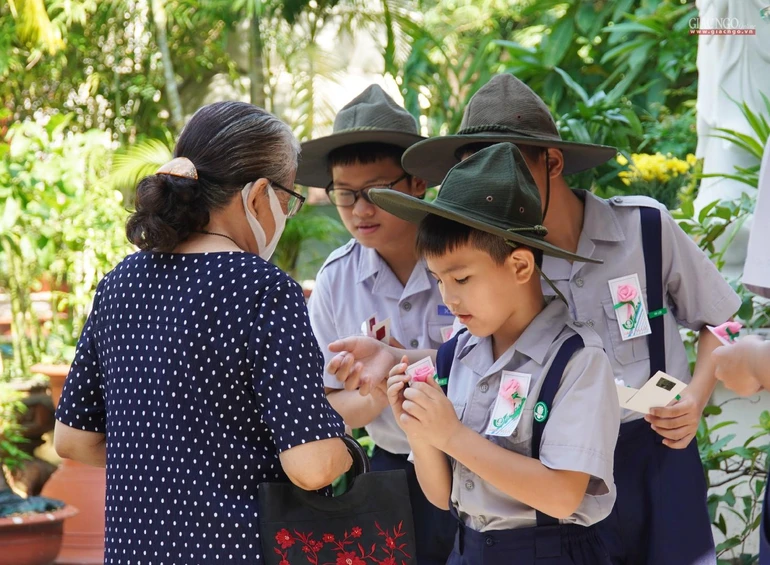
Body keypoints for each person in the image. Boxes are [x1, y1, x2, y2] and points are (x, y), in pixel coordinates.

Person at [329, 74, 741, 565]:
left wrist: (695, 396)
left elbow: (723, 322)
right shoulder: (493, 266)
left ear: (552, 161)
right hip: (548, 475)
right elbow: (482, 361)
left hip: (653, 449)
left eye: (508, 161)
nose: (495, 179)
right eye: (476, 166)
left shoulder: (643, 228)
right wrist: (396, 359)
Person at [53, 101, 352, 565]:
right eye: (289, 199)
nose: (287, 213)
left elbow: (74, 439)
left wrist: (168, 462)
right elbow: (313, 466)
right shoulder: (264, 289)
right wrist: (347, 447)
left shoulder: (120, 281)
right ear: (257, 196)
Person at [374, 142, 618, 564]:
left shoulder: (577, 361)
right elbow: (441, 496)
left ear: (521, 266)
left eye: (463, 278)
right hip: (467, 549)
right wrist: (418, 427)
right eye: (438, 280)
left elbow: (562, 497)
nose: (448, 298)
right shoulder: (454, 356)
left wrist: (451, 435)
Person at [295, 84, 456, 565]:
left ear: (416, 185)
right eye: (346, 195)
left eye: (376, 193)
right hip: (393, 473)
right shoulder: (336, 281)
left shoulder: (465, 257)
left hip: (483, 462)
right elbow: (330, 408)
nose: (361, 210)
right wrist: (371, 390)